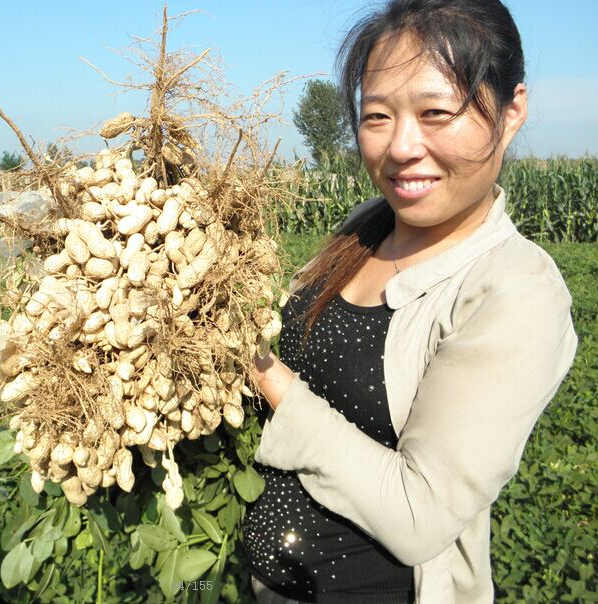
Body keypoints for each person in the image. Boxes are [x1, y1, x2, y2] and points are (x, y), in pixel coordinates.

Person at [241, 1, 579, 603]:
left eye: (436, 113)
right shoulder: (365, 227)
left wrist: (261, 372)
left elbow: (418, 513)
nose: (400, 146)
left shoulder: (517, 289)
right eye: (377, 115)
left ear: (512, 111)